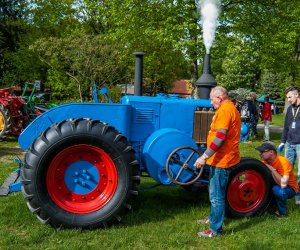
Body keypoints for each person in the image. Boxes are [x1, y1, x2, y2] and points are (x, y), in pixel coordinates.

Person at [194, 86, 241, 238]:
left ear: (220, 98)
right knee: (214, 192)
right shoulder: (227, 108)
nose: (210, 101)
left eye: (212, 99)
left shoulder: (225, 110)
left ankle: (215, 230)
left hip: (222, 160)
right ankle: (213, 218)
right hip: (219, 158)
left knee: (217, 196)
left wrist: (204, 156)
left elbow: (220, 137)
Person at [256, 142, 298, 216]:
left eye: (262, 152)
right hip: (275, 184)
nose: (260, 154)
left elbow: (283, 184)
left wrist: (273, 170)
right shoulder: (264, 162)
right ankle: (269, 206)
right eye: (260, 152)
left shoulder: (283, 162)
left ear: (271, 152)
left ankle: (282, 212)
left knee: (278, 191)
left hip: (290, 188)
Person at [278, 86, 300, 204]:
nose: (289, 99)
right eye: (287, 98)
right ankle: (288, 192)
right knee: (287, 170)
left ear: (297, 95)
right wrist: (282, 141)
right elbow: (286, 127)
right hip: (289, 144)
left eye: (290, 97)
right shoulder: (290, 109)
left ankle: (298, 196)